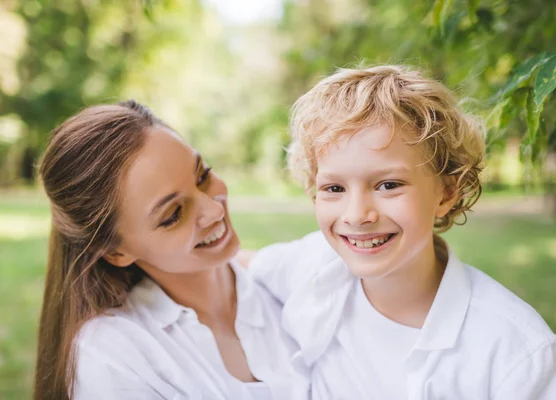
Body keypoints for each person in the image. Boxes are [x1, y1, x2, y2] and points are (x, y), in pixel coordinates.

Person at [245, 65, 556, 399]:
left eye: (388, 185)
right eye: (334, 188)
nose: (357, 215)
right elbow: (237, 265)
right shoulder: (312, 264)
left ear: (447, 192)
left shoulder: (515, 352)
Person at [33, 100, 304, 400]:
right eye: (174, 214)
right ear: (115, 252)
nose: (214, 210)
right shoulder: (111, 356)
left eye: (203, 176)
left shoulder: (286, 280)